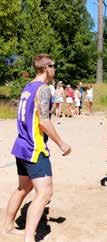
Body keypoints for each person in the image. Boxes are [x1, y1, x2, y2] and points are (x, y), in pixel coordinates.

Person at [3, 54, 71, 242]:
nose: (55, 69)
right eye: (54, 66)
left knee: (23, 188)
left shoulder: (28, 87)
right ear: (46, 68)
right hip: (34, 147)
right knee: (45, 193)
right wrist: (61, 143)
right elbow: (44, 122)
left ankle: (8, 227)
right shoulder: (43, 89)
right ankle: (29, 237)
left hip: (21, 145)